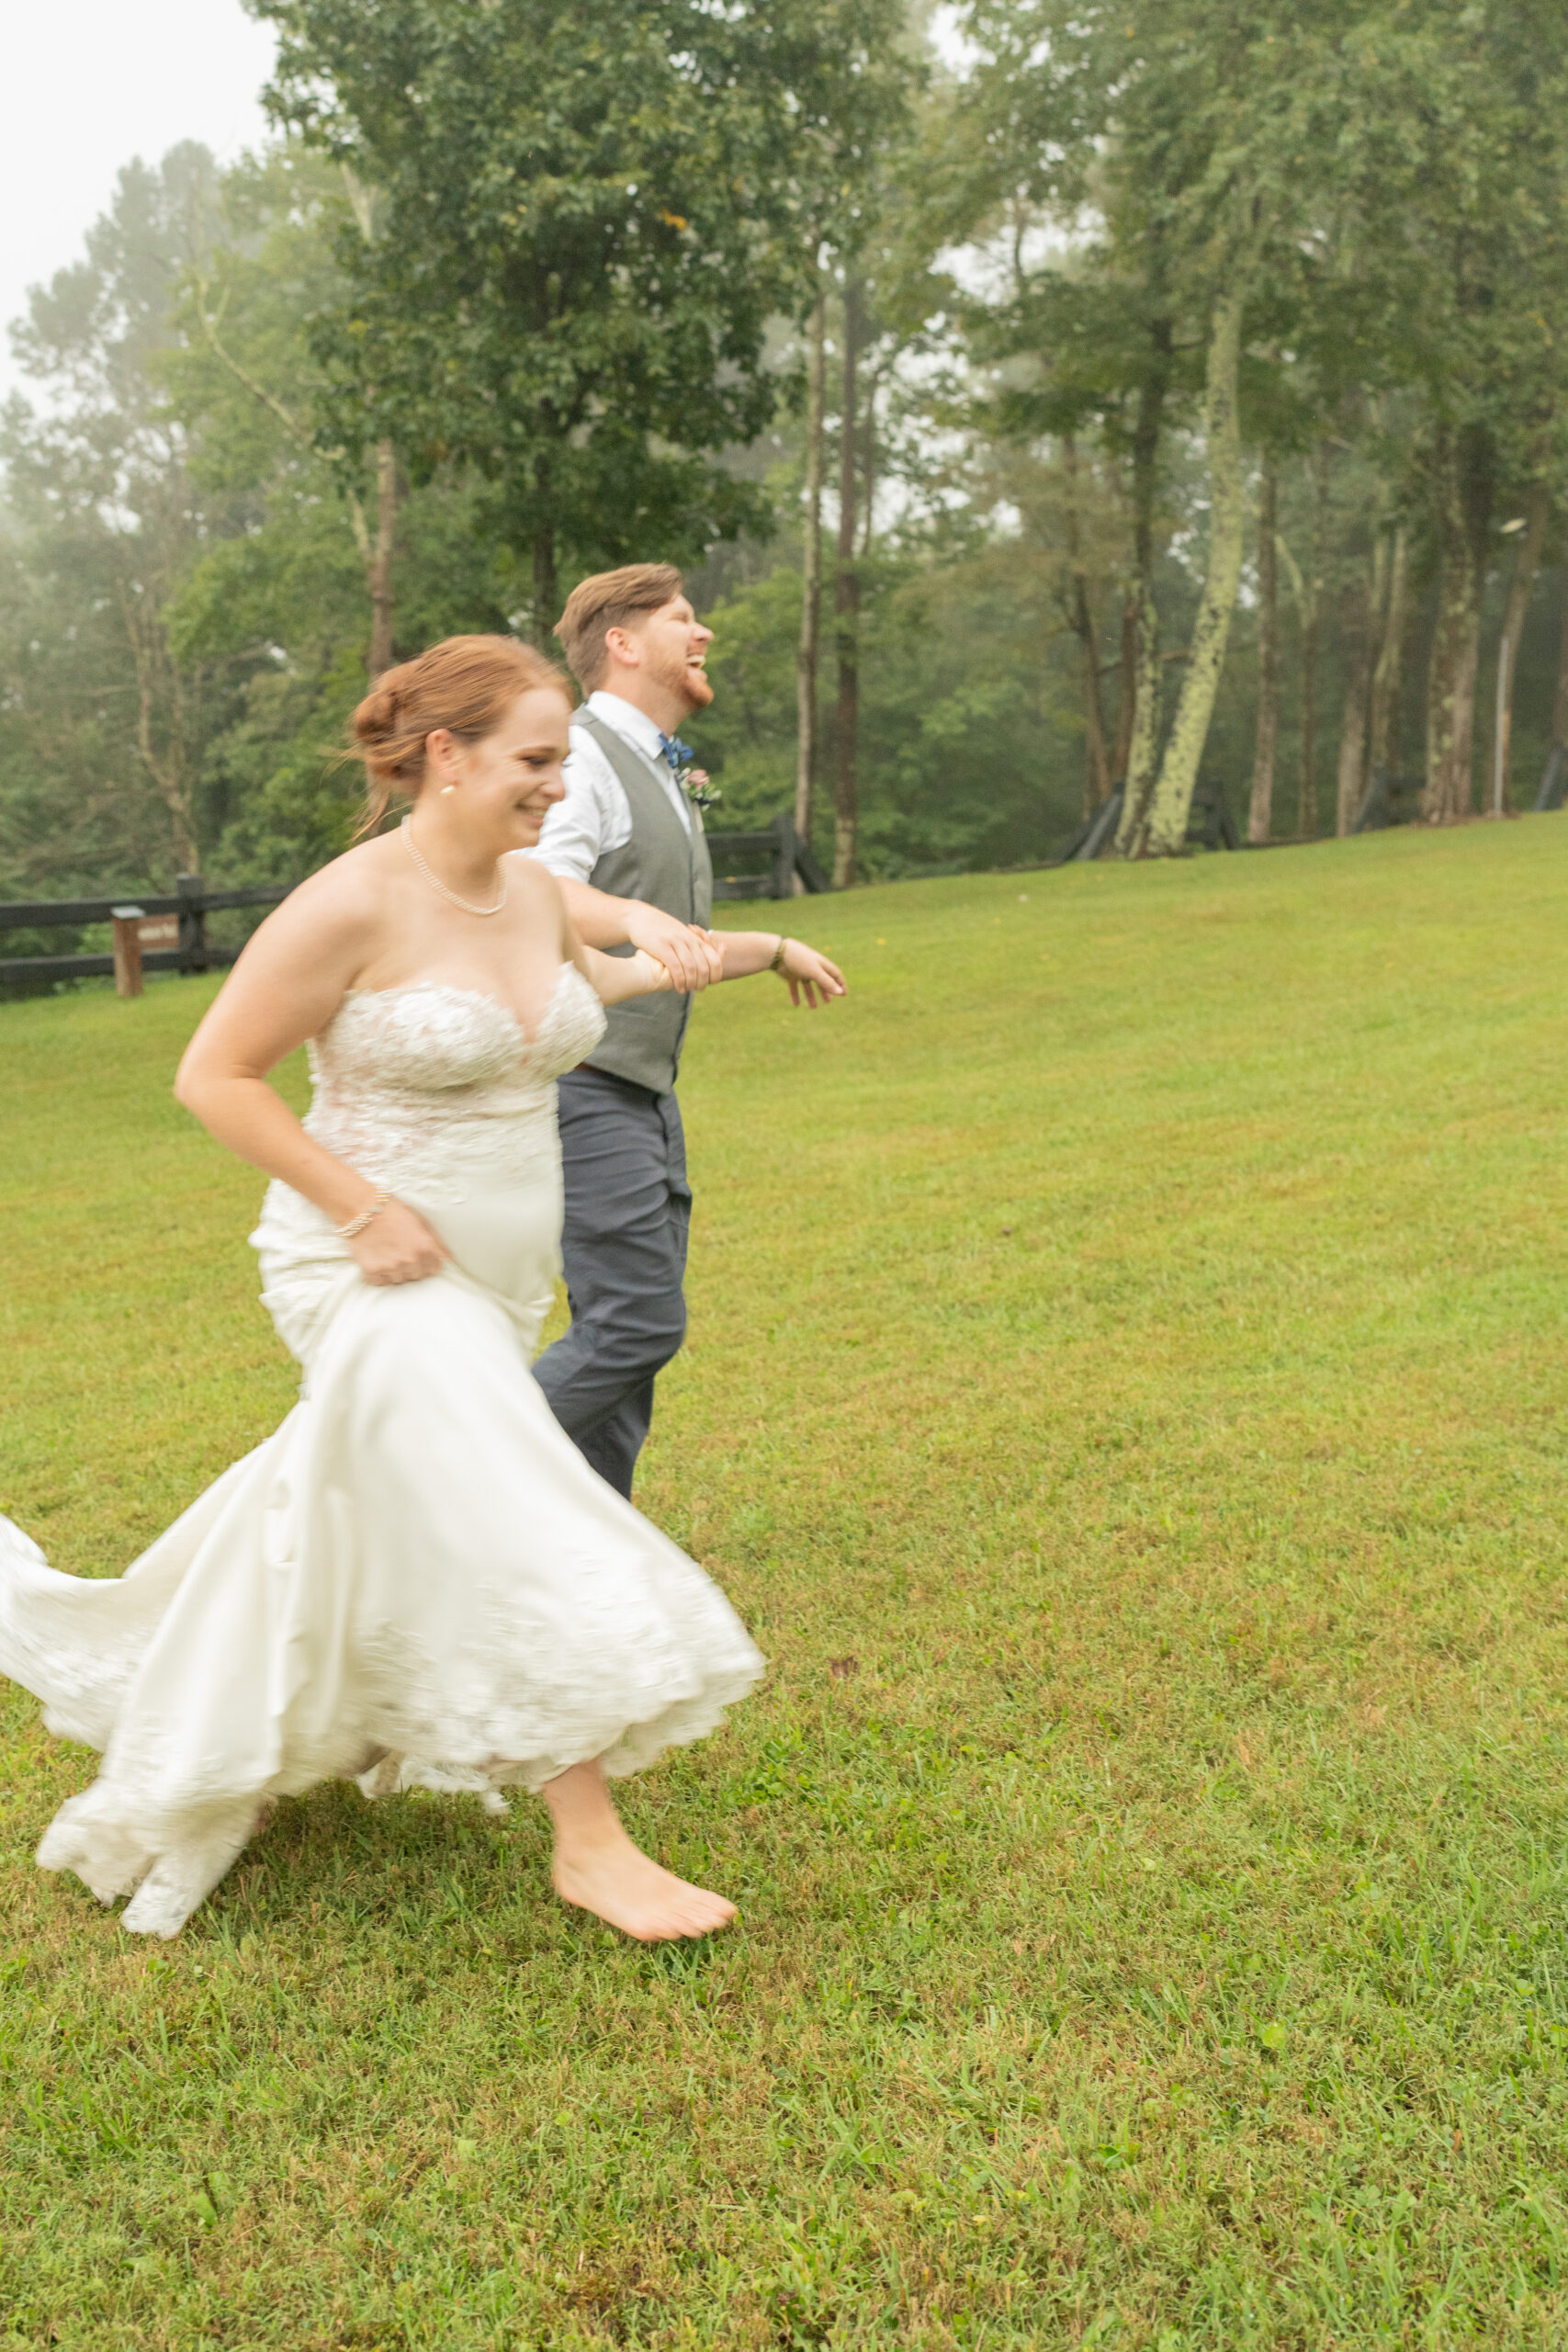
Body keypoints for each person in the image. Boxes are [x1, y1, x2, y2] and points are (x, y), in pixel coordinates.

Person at [0, 635, 762, 1942]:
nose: (554, 782)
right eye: (533, 759)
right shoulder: (346, 903)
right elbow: (214, 1076)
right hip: (365, 1262)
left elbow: (598, 984)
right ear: (441, 756)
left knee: (336, 1501)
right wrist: (363, 1211)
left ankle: (206, 1689)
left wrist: (750, 946)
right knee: (500, 1491)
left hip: (501, 1271)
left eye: (562, 758)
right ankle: (591, 1842)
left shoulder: (528, 892)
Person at [530, 562, 846, 1499]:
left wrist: (772, 945)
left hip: (638, 1086)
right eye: (682, 618)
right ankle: (462, 1475)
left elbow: (675, 946)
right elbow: (541, 888)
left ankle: (588, 1550)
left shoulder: (659, 764)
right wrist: (630, 916)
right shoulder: (583, 755)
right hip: (582, 1078)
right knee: (632, 1324)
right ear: (622, 644)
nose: (702, 633)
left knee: (625, 1346)